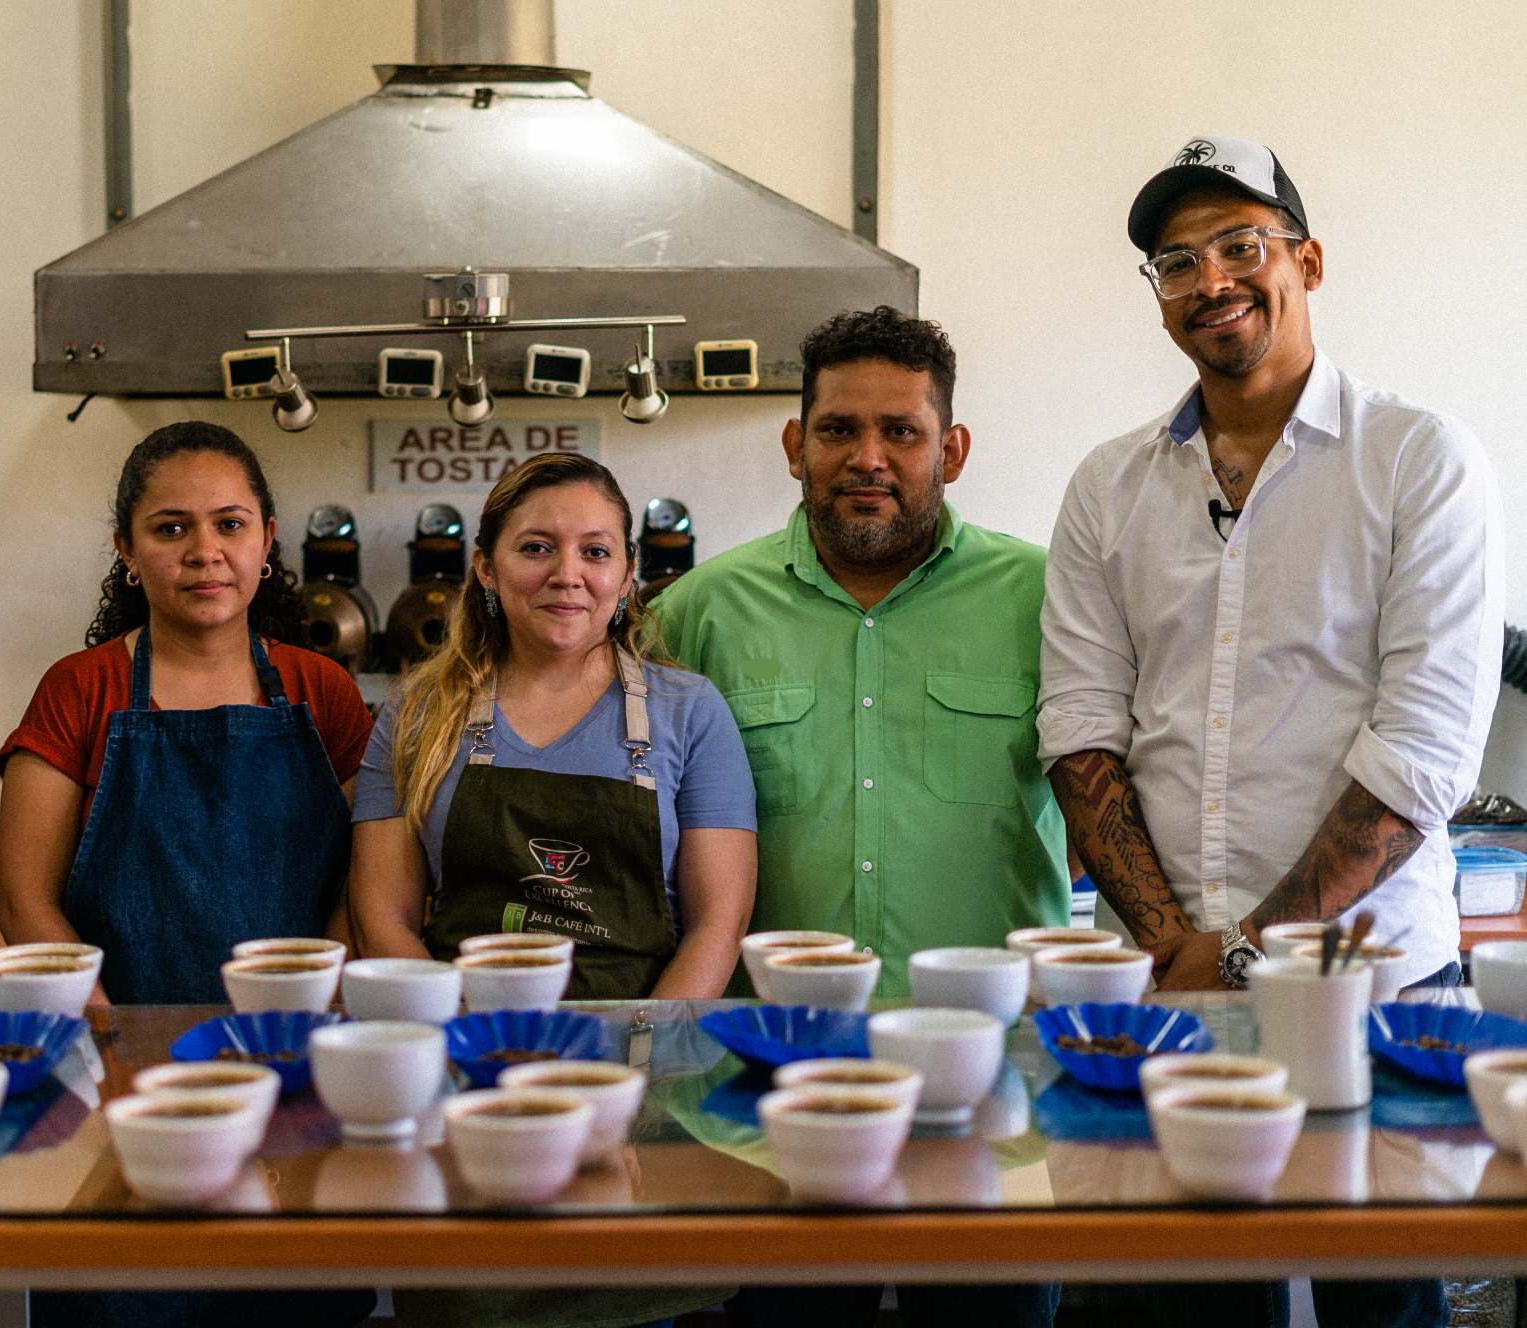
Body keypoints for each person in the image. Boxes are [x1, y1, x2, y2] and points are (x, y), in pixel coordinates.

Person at [1039, 134, 1501, 1328]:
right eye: (1174, 261)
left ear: (1306, 259)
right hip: (1162, 987)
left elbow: (1421, 752)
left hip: (1375, 988)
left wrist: (1242, 950)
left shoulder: (1415, 458)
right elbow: (1080, 728)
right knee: (1169, 1306)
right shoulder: (1106, 485)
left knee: (1381, 1301)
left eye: (1239, 245)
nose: (1208, 280)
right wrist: (1176, 947)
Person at [650, 307, 1063, 1328]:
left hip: (992, 1096)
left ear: (951, 451)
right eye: (837, 429)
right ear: (796, 443)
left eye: (900, 431)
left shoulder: (1049, 598)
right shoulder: (699, 612)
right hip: (772, 1099)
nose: (865, 458)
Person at [350, 451, 757, 1328]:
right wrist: (474, 1060)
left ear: (628, 574)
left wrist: (630, 1080)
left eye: (595, 551)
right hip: (470, 1086)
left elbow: (718, 926)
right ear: (485, 568)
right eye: (536, 547)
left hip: (647, 1089)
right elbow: (380, 917)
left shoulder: (690, 713)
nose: (568, 574)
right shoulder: (416, 712)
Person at [0, 420, 376, 1328]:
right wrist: (114, 1052)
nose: (205, 552)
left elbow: (367, 885)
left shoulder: (322, 691)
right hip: (127, 1091)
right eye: (171, 529)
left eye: (229, 525)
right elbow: (23, 902)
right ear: (127, 551)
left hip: (293, 1078)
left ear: (267, 539)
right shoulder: (79, 690)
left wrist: (312, 1013)